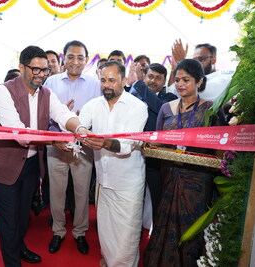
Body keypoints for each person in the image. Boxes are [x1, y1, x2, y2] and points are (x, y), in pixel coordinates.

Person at [0, 45, 89, 267]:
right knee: (8, 221)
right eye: (35, 69)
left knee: (22, 218)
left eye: (45, 70)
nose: (41, 75)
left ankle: (19, 247)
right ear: (22, 67)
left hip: (30, 166)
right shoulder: (4, 91)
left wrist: (79, 129)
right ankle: (12, 262)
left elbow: (62, 114)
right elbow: (19, 134)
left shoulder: (47, 94)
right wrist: (55, 141)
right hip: (4, 167)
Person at [143, 59, 225, 267]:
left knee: (191, 227)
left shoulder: (211, 110)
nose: (180, 84)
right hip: (169, 175)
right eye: (177, 80)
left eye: (186, 80)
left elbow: (220, 149)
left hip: (198, 180)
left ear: (199, 82)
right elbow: (159, 143)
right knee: (165, 222)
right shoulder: (166, 109)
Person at [78, 60, 148, 267]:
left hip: (128, 182)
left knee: (126, 236)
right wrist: (81, 132)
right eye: (103, 80)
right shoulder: (93, 105)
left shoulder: (137, 107)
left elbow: (127, 145)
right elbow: (80, 125)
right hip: (103, 179)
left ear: (124, 81)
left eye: (112, 80)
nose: (106, 85)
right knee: (106, 232)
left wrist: (105, 142)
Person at [44, 40, 101, 255]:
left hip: (83, 146)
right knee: (56, 193)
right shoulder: (51, 82)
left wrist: (82, 121)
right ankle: (58, 231)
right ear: (63, 58)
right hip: (57, 144)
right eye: (71, 56)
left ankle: (80, 232)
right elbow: (43, 113)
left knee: (81, 192)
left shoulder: (95, 84)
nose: (75, 61)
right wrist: (61, 117)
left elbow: (100, 114)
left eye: (80, 57)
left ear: (86, 60)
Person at [129, 63, 177, 223]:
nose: (153, 81)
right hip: (133, 155)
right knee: (134, 199)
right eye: (150, 76)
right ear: (145, 76)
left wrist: (139, 84)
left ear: (164, 82)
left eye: (158, 78)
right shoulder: (134, 95)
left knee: (158, 199)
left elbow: (159, 109)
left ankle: (156, 235)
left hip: (155, 160)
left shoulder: (170, 99)